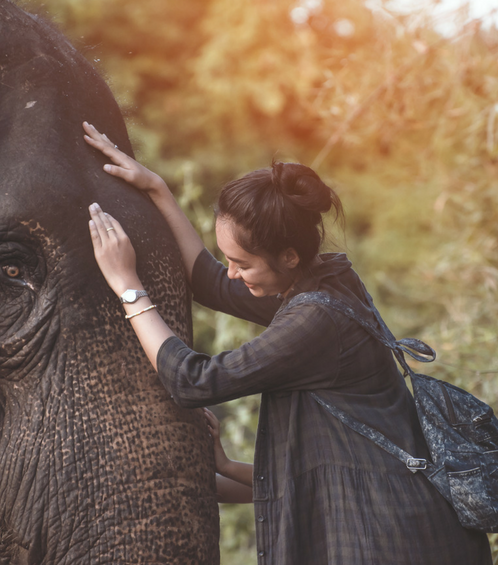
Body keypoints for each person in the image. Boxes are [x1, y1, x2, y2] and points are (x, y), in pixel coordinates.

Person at [82, 121, 492, 564]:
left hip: (396, 538)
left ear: (288, 257)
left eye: (242, 263)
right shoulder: (325, 282)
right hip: (393, 520)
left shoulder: (316, 319)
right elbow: (211, 283)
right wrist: (158, 189)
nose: (233, 272)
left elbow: (193, 381)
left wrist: (127, 285)